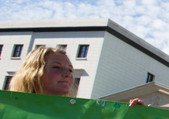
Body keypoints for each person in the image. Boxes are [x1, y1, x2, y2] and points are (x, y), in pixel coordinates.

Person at [9, 46, 144, 107]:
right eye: (56, 67)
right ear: (33, 73)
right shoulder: (8, 111)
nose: (67, 74)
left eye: (70, 70)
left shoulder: (81, 116)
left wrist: (135, 117)